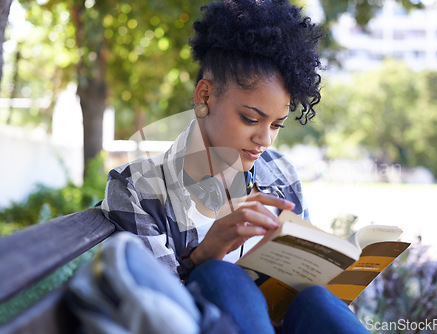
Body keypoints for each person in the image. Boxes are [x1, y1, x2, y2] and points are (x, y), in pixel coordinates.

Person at [99, 0, 369, 333]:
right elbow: (158, 311)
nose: (265, 139)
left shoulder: (280, 173)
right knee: (219, 276)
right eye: (251, 119)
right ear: (204, 96)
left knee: (317, 299)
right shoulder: (137, 189)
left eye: (276, 125)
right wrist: (203, 257)